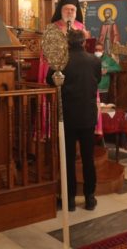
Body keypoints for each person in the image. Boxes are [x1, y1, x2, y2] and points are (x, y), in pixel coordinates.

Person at [47, 30, 102, 212]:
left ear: (67, 43)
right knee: (88, 158)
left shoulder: (60, 60)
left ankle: (69, 199)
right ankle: (90, 197)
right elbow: (97, 80)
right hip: (87, 115)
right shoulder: (94, 61)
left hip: (67, 116)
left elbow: (49, 80)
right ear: (84, 42)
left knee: (68, 159)